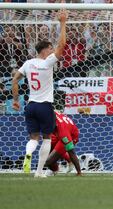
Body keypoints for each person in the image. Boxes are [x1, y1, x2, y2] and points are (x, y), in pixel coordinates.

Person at [11, 9, 68, 178]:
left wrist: (15, 100)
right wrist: (62, 22)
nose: (52, 51)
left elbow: (15, 80)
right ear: (44, 50)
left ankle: (28, 154)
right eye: (50, 48)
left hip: (30, 106)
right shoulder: (47, 62)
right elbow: (62, 45)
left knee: (33, 138)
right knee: (47, 139)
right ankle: (38, 172)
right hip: (44, 106)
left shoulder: (28, 63)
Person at [44, 111, 82, 176]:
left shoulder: (63, 134)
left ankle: (73, 164)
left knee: (47, 162)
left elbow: (71, 151)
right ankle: (55, 170)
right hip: (60, 133)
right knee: (47, 148)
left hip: (70, 136)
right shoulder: (51, 114)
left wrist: (79, 172)